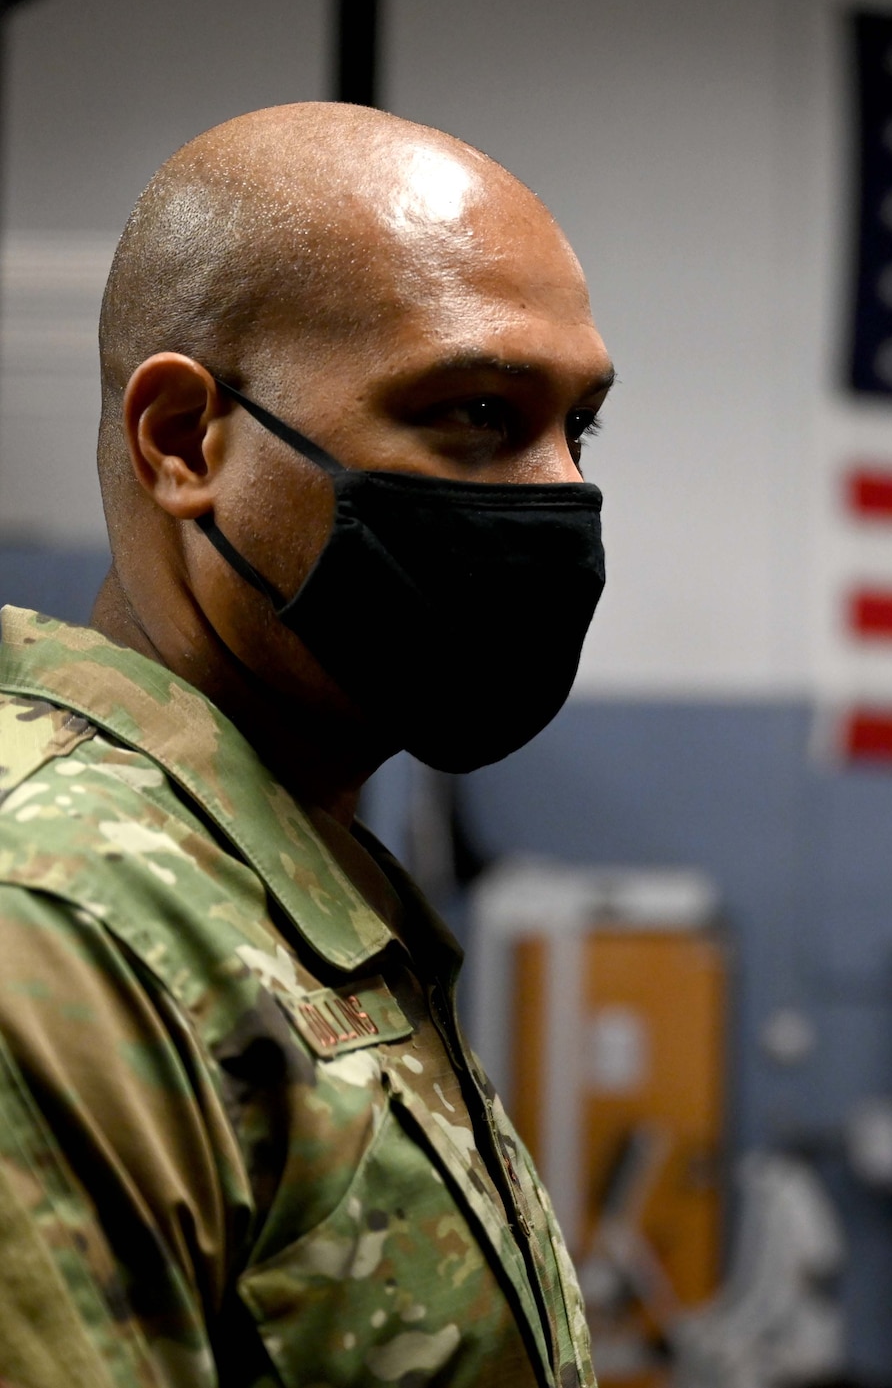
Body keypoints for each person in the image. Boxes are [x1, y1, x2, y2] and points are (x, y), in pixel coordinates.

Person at [0, 102, 613, 1387]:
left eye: (580, 426)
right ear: (185, 442)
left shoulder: (277, 880)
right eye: (479, 410)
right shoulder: (60, 929)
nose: (561, 488)